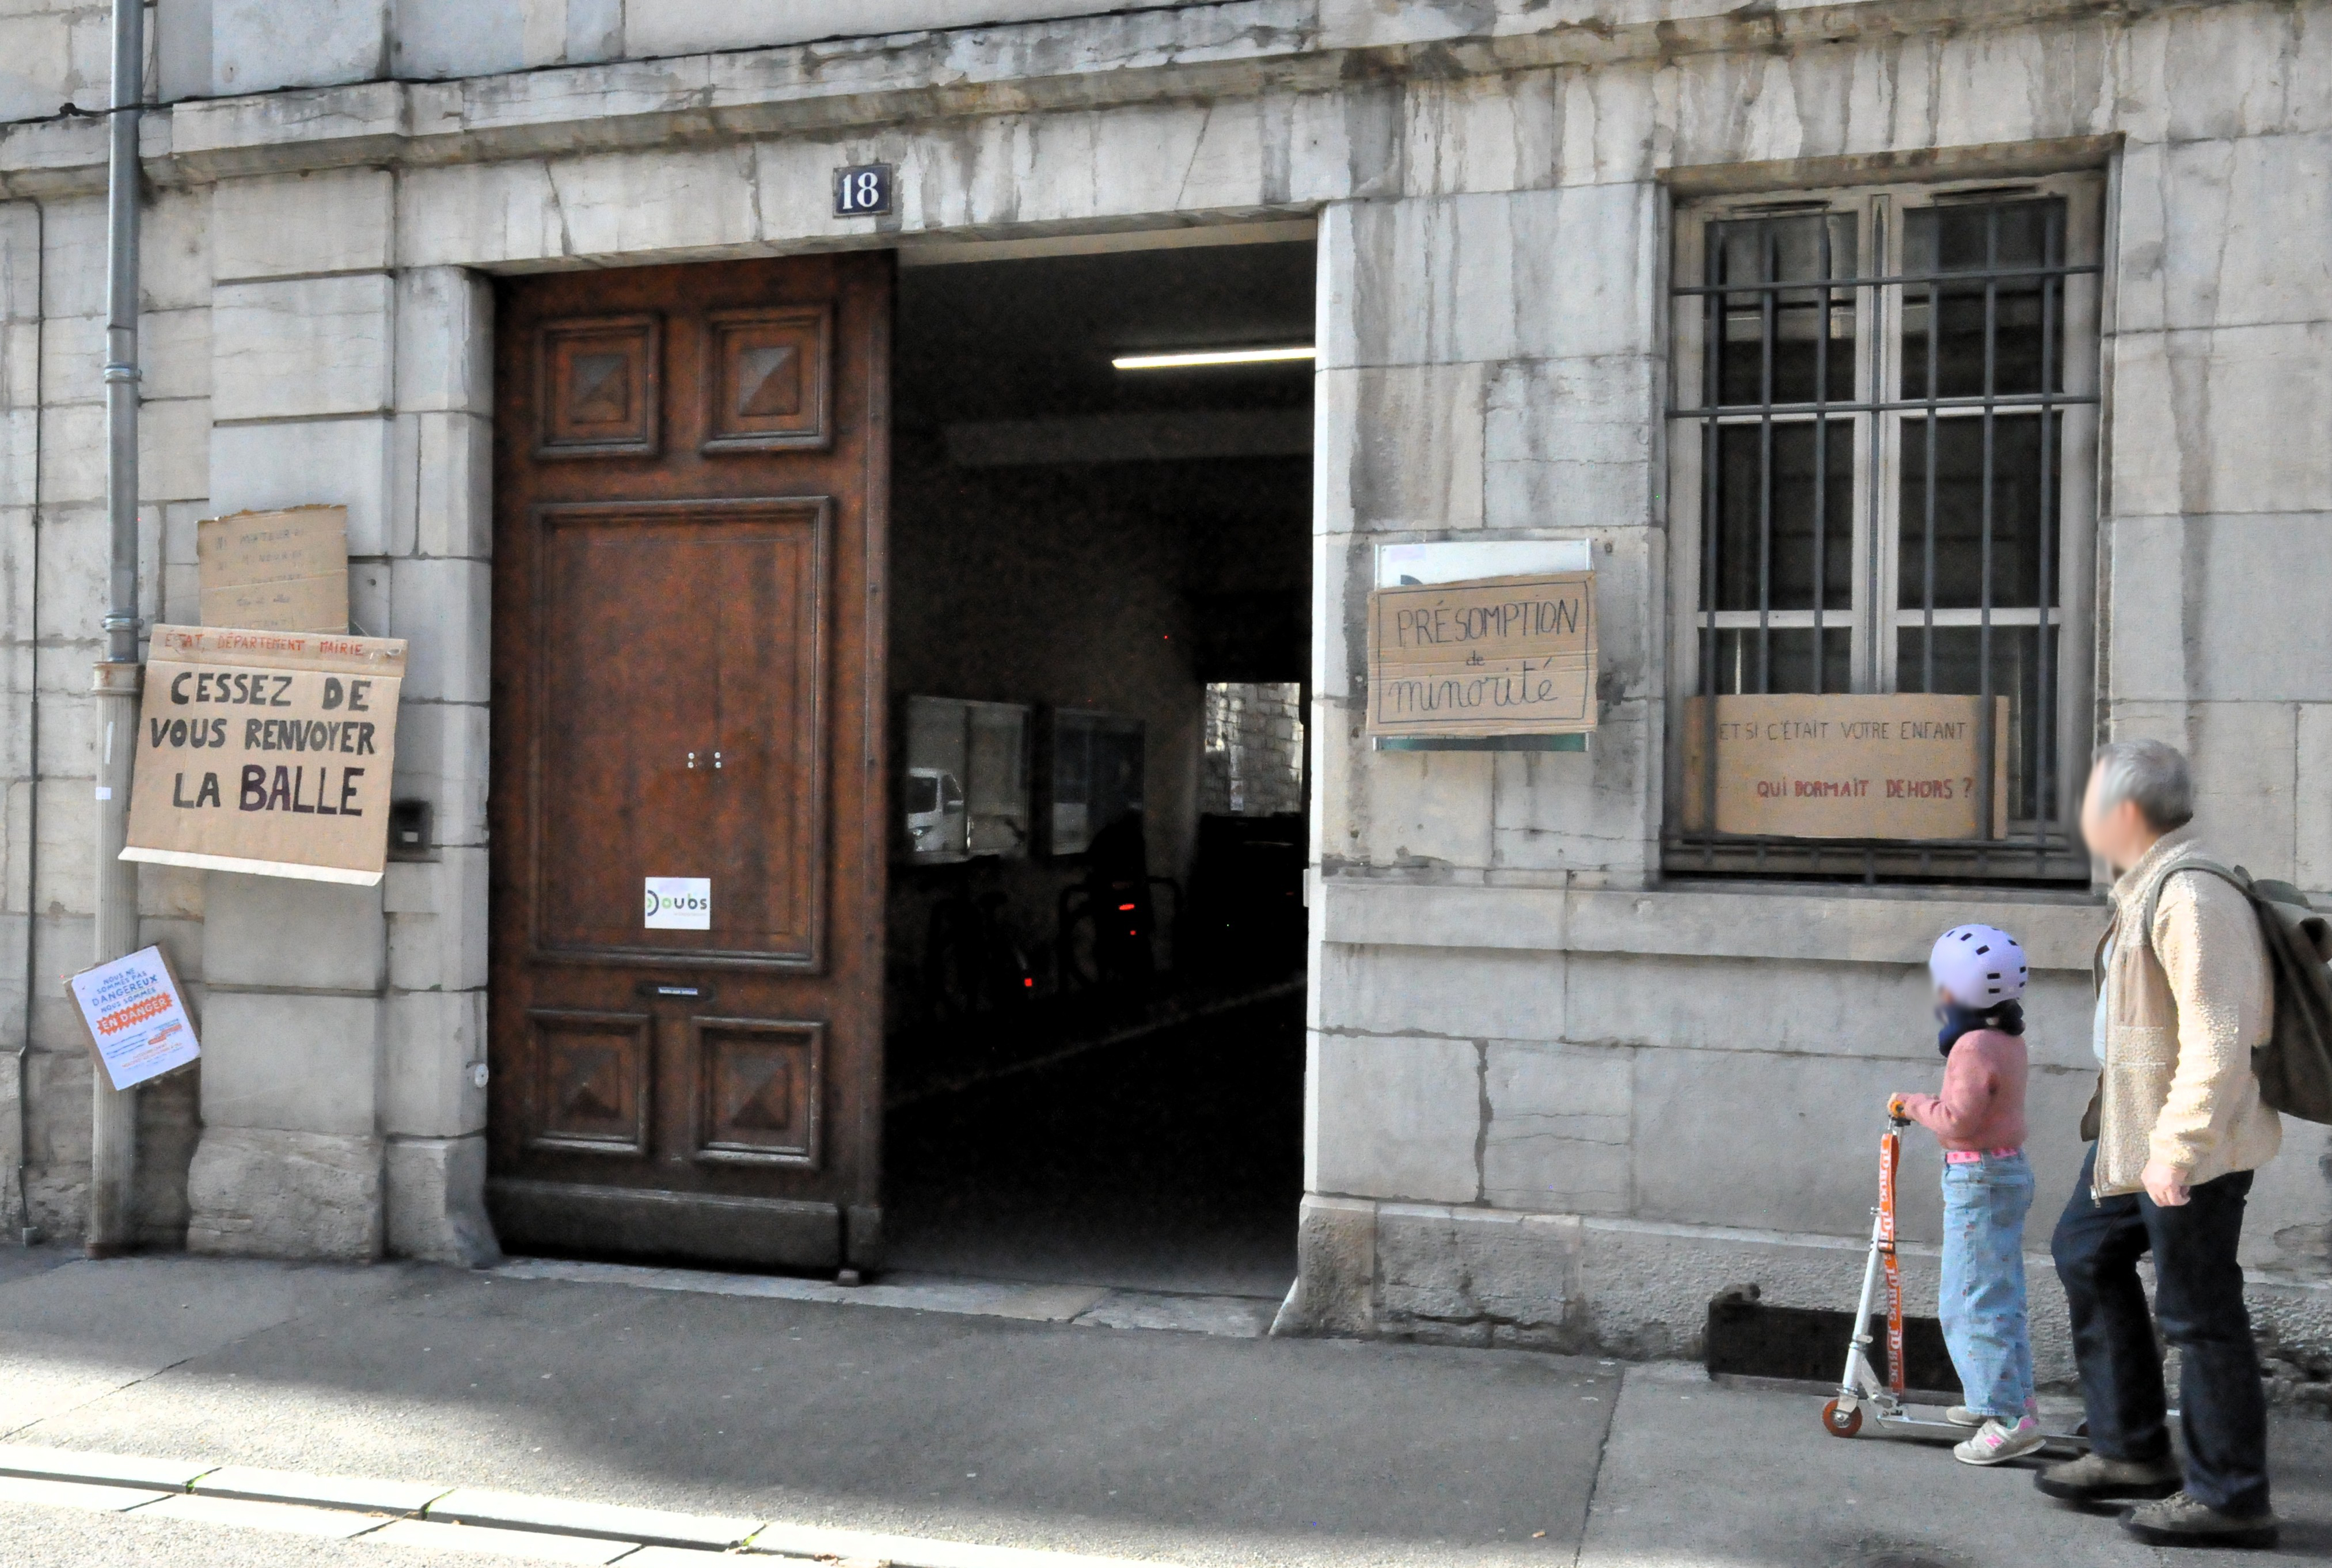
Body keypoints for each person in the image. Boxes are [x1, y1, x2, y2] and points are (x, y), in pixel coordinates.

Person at [2037, 739, 2281, 1547]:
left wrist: (2175, 1148)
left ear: (2123, 813)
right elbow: (2152, 1027)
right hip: (2132, 1131)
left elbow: (2217, 1039)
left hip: (2185, 1140)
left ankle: (2231, 1496)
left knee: (2199, 1310)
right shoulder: (2147, 886)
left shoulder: (2190, 898)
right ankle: (2130, 1447)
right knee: (2084, 1250)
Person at [1896, 924, 2038, 1467]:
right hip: (2004, 1173)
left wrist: (1912, 1104)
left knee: (1969, 1298)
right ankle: (2010, 1400)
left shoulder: (1972, 1044)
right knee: (2000, 1292)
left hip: (1976, 1174)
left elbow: (1957, 1120)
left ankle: (2005, 1417)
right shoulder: (2008, 1037)